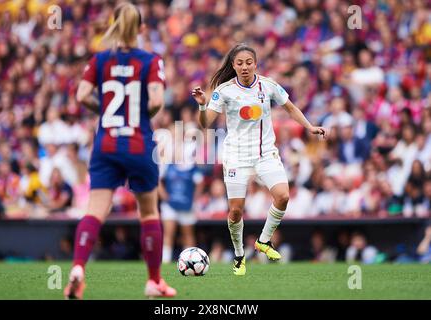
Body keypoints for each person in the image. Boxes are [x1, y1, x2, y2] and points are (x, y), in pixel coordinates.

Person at [64, 3, 176, 299]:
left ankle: (77, 268)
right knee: (149, 212)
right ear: (141, 29)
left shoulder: (100, 60)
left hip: (107, 143)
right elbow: (154, 102)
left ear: (113, 26)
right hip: (138, 143)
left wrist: (106, 109)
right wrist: (138, 109)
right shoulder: (150, 61)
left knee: (94, 211)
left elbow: (82, 95)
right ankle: (153, 282)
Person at [191, 43, 326, 275]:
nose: (244, 67)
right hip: (236, 155)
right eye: (240, 63)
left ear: (255, 64)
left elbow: (291, 108)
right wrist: (203, 106)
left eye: (249, 62)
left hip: (265, 153)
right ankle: (239, 255)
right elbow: (204, 124)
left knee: (283, 196)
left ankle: (263, 241)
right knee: (235, 211)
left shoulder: (269, 85)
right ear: (233, 65)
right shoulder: (223, 91)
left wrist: (309, 126)